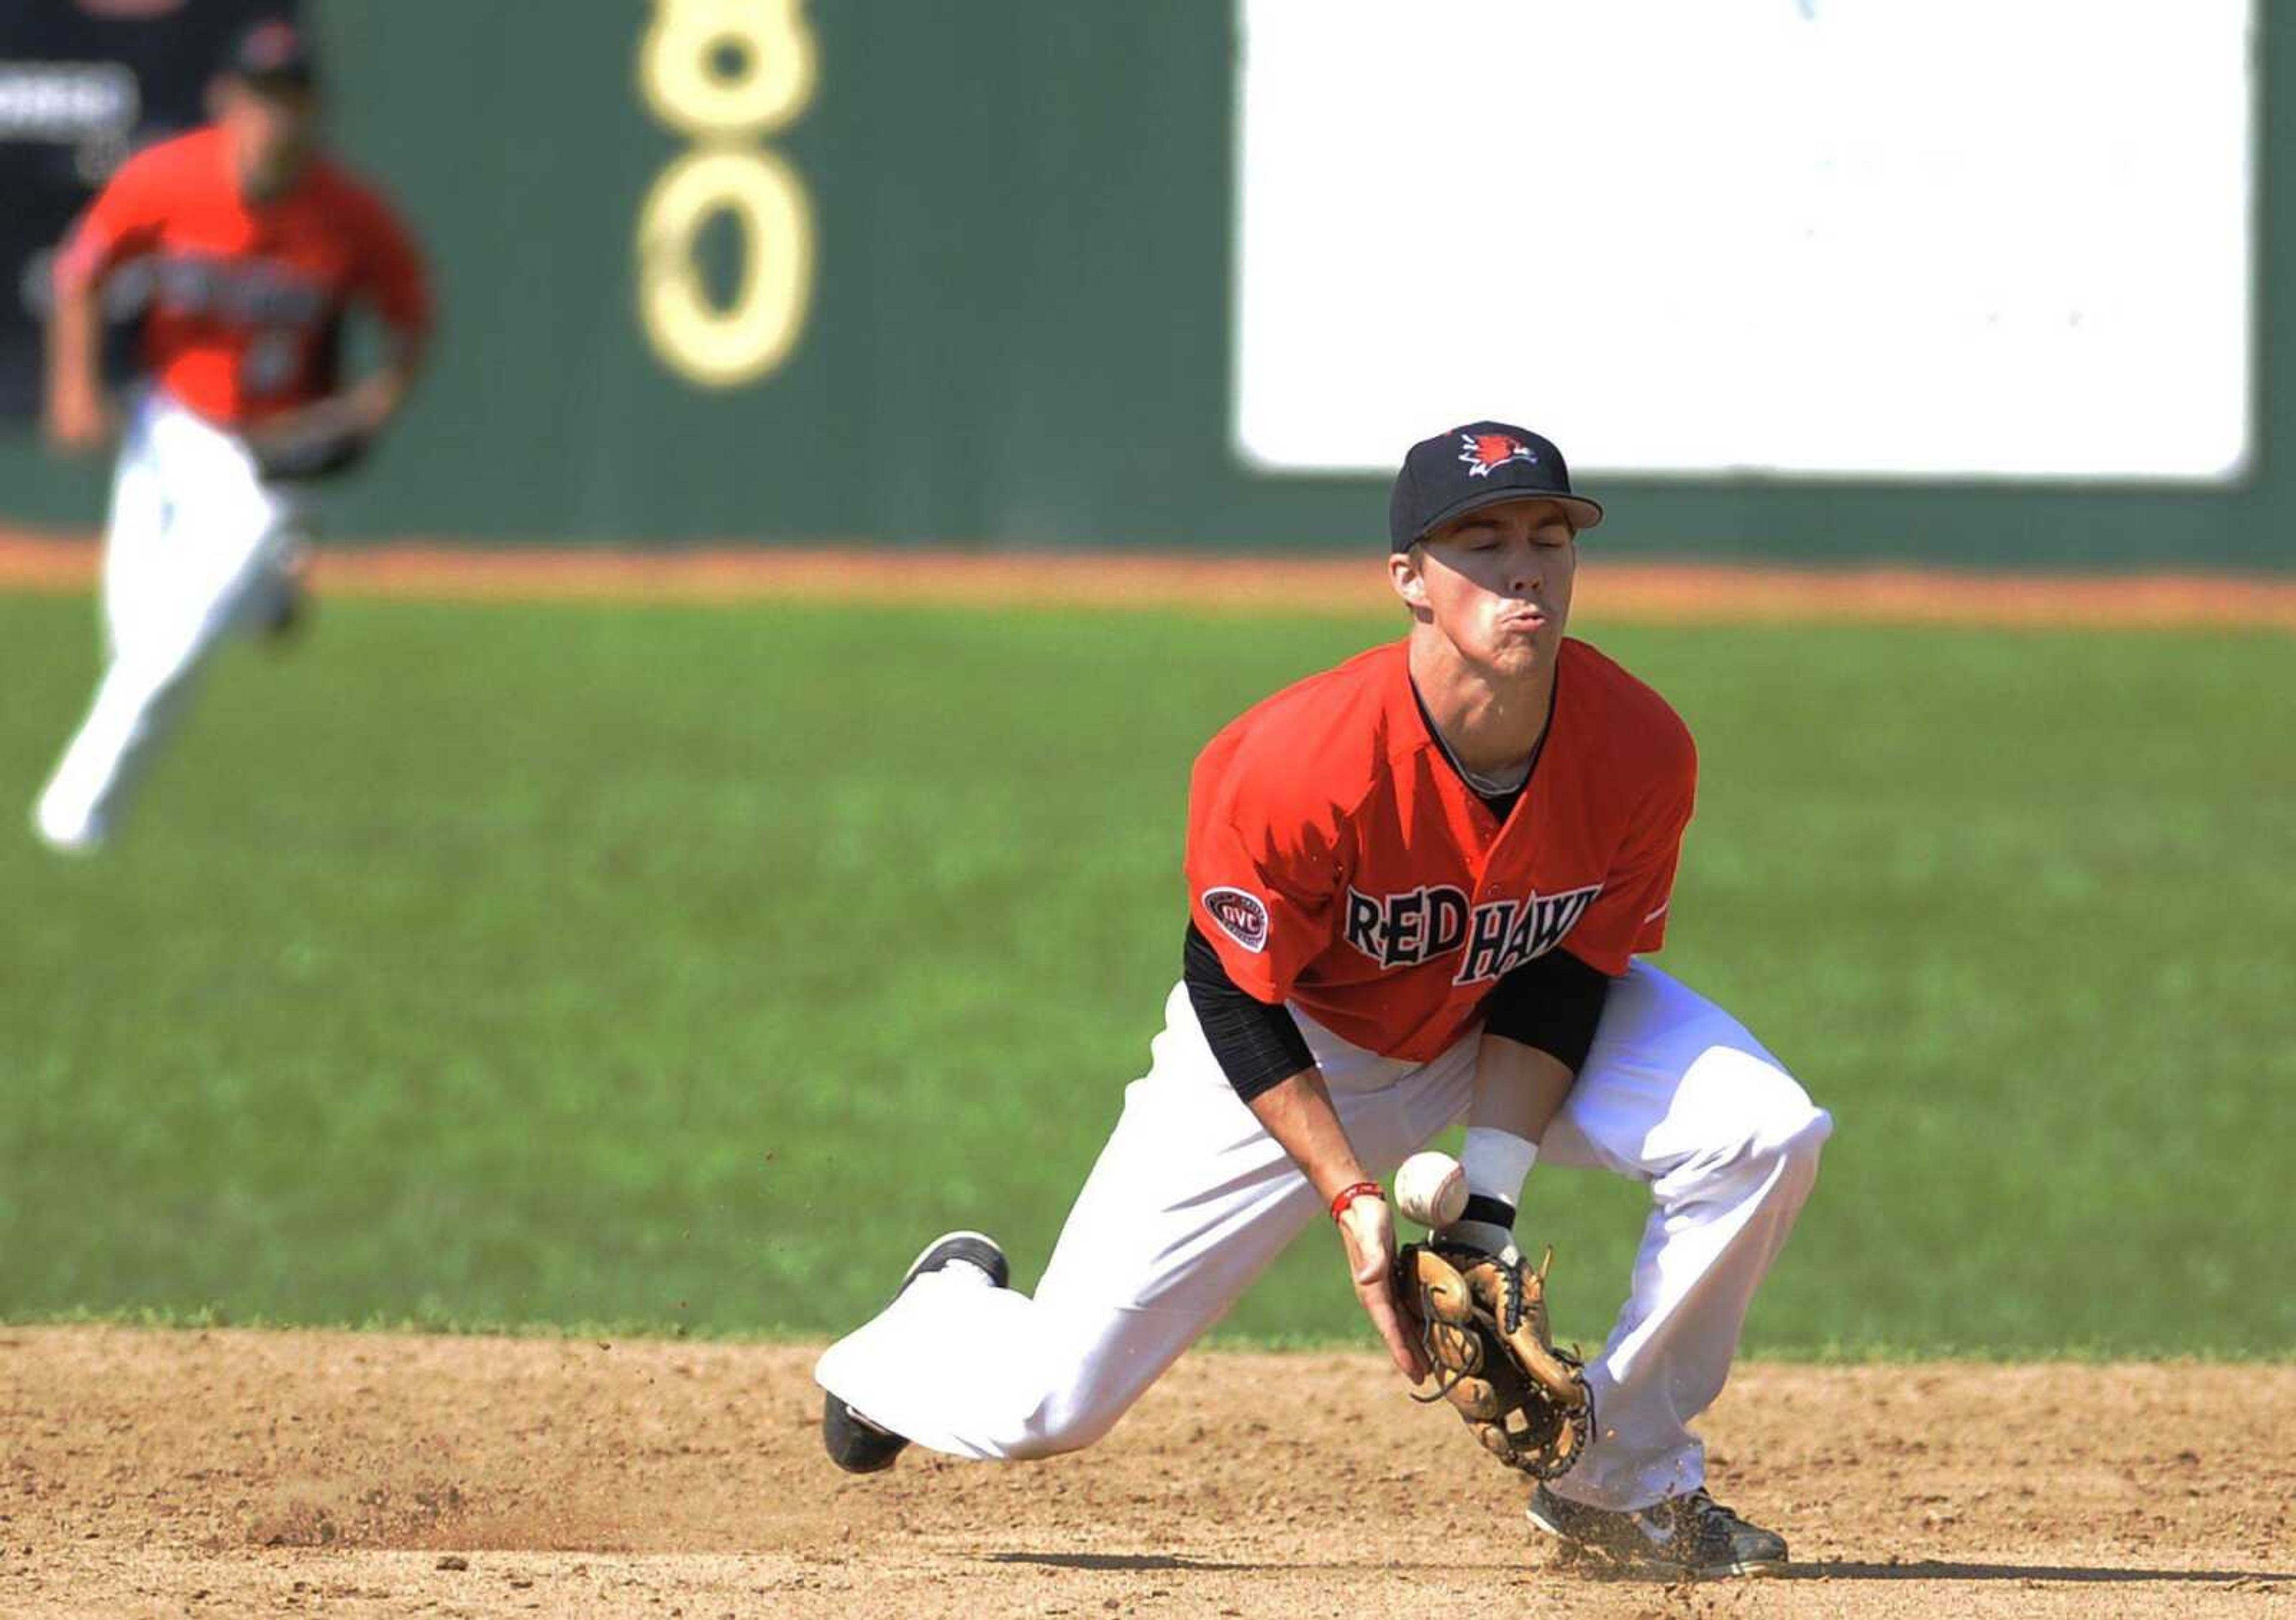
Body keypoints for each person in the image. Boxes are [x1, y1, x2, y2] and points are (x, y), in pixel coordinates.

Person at [814, 422, 1833, 1580]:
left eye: (1548, 535)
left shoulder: (1642, 748)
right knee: (1052, 1402)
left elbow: (1565, 964)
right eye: (1480, 540)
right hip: (1297, 1043)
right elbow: (1229, 980)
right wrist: (1348, 1190)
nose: (1523, 565)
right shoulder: (1303, 760)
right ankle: (936, 1316)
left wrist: (1487, 1205)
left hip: (1491, 1016)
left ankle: (1620, 1483)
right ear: (1407, 578)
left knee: (1765, 1130)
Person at [32, 16, 431, 855]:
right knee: (136, 635)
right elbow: (80, 273)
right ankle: (266, 593)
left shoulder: (349, 214)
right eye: (260, 99)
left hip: (273, 450)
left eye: (291, 100)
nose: (274, 119)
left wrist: (376, 401)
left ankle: (75, 815)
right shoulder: (166, 180)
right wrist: (73, 384)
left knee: (172, 641)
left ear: (316, 111)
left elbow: (412, 316)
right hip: (169, 423)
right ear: (226, 101)